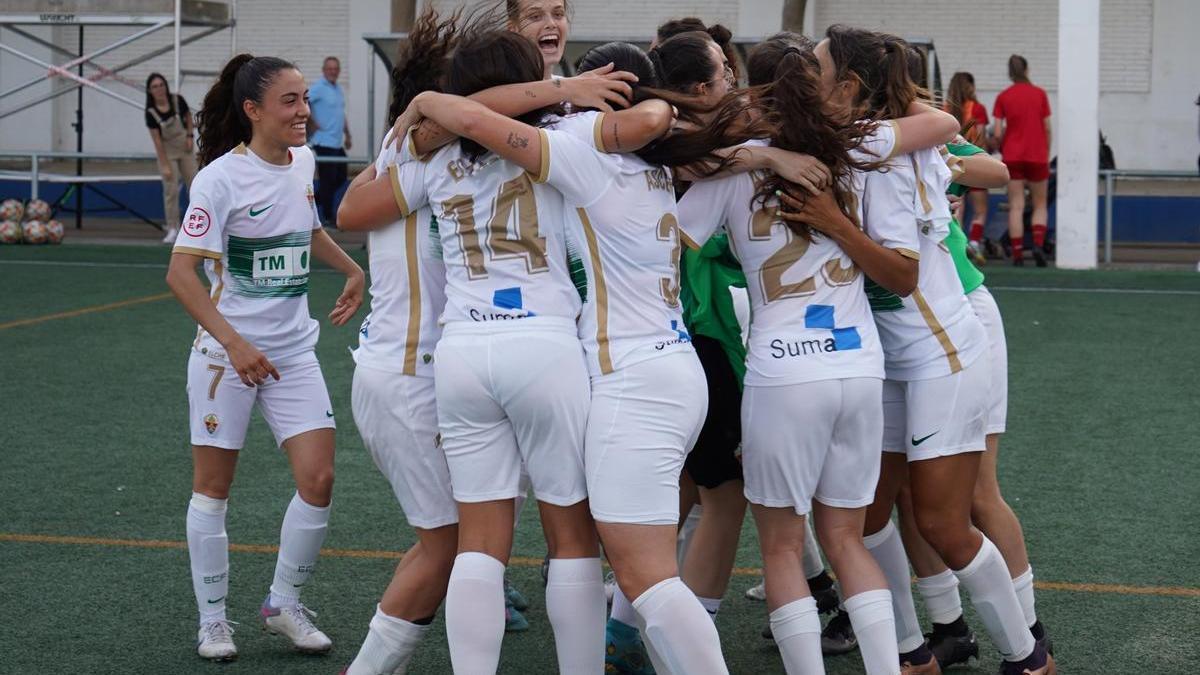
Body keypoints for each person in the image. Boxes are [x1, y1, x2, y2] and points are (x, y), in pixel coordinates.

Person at [339, 25, 607, 674]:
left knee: (479, 543)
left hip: (461, 352)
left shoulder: (429, 156)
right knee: (570, 535)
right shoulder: (561, 138)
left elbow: (353, 210)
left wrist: (429, 110)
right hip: (542, 345)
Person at [810, 27, 1054, 675]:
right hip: (895, 358)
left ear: (850, 87)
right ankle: (914, 650)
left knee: (948, 520)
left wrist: (831, 222)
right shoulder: (860, 140)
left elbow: (902, 273)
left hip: (943, 353)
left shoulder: (877, 148)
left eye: (816, 68)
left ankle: (1029, 654)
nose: (805, 80)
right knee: (864, 516)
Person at [165, 53, 364, 662]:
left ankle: (282, 604)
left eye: (305, 98)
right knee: (214, 490)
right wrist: (234, 342)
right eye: (290, 101)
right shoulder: (220, 178)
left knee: (319, 478)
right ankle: (214, 622)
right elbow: (180, 273)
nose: (303, 111)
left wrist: (351, 267)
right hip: (228, 359)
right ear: (253, 110)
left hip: (293, 354)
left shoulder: (303, 162)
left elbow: (306, 228)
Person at [993, 55, 1051, 267]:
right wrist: (1045, 151)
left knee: (1016, 205)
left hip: (1012, 156)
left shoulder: (1003, 97)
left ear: (1009, 72)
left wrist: (1000, 145)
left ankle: (1017, 253)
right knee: (1040, 204)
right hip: (1037, 156)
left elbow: (998, 132)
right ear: (1027, 69)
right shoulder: (1040, 94)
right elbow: (1047, 127)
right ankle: (1037, 245)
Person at [145, 72, 197, 244]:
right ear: (149, 91)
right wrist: (164, 164)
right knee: (171, 190)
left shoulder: (177, 100)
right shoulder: (151, 113)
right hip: (167, 151)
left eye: (161, 85)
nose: (159, 89)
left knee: (196, 186)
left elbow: (189, 118)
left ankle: (199, 226)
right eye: (154, 87)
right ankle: (173, 228)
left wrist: (190, 136)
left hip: (185, 148)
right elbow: (157, 140)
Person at [945, 71, 990, 265]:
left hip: (951, 164)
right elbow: (981, 136)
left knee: (957, 207)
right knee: (980, 210)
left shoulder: (944, 109)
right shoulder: (977, 108)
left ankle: (959, 244)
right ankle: (974, 242)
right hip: (974, 162)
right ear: (970, 86)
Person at [308, 56, 351, 226]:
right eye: (330, 69)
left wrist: (348, 134)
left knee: (341, 176)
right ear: (324, 70)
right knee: (328, 179)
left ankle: (315, 201)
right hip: (323, 141)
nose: (333, 71)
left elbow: (341, 113)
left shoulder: (338, 89)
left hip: (336, 142)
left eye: (335, 69)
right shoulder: (319, 88)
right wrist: (311, 121)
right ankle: (327, 217)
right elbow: (304, 101)